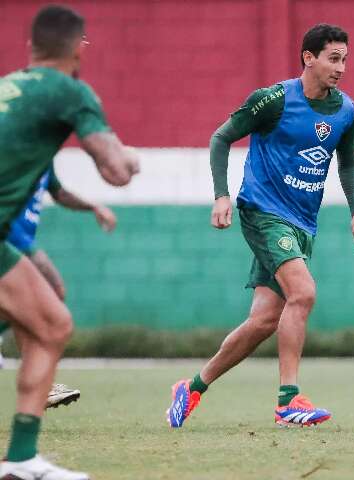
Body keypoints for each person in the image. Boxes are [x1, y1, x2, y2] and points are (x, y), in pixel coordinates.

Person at [167, 23, 354, 428]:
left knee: (263, 320)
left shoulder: (345, 110)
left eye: (345, 59)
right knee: (305, 292)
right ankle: (288, 402)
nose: (341, 68)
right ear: (308, 58)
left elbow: (347, 163)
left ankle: (191, 388)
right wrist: (221, 194)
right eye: (334, 58)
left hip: (303, 223)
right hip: (262, 211)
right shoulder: (273, 100)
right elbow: (221, 138)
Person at [0, 5, 139, 480]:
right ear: (78, 49)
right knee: (52, 324)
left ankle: (20, 459)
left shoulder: (8, 87)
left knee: (52, 322)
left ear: (30, 47)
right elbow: (116, 171)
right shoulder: (70, 91)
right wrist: (131, 160)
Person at [0, 162, 118, 409]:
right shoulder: (16, 142)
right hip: (10, 238)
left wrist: (93, 207)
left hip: (19, 242)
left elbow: (60, 193)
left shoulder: (44, 155)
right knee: (48, 295)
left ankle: (41, 385)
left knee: (28, 308)